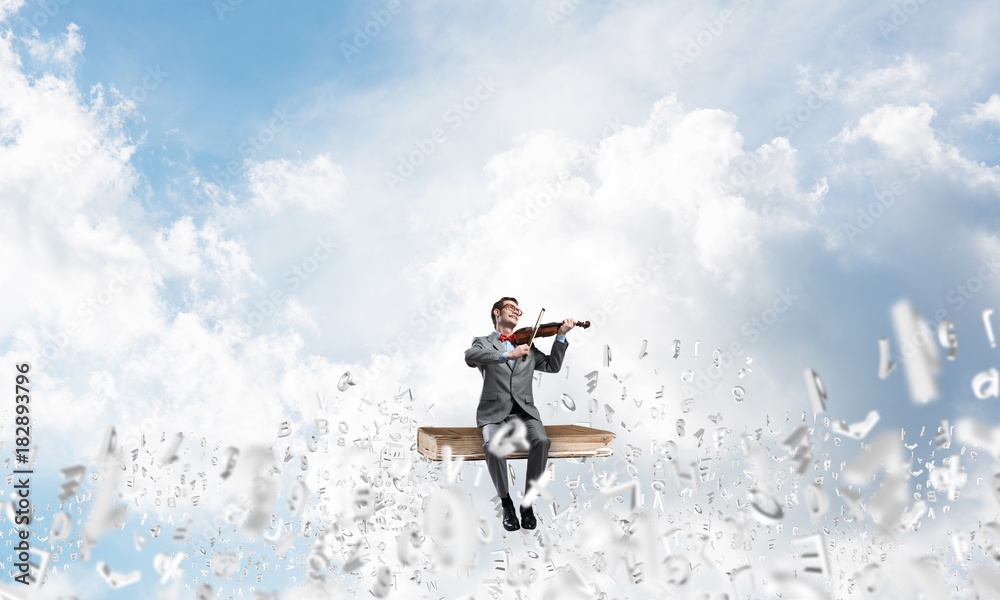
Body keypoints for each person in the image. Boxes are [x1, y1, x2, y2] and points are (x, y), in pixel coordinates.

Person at [464, 297, 576, 531]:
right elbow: (470, 357)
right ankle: (506, 503)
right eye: (511, 308)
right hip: (494, 412)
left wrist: (561, 335)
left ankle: (527, 503)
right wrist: (507, 355)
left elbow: (553, 366)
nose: (516, 312)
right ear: (497, 312)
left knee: (542, 441)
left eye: (518, 310)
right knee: (493, 446)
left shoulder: (529, 346)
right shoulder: (483, 342)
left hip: (524, 410)